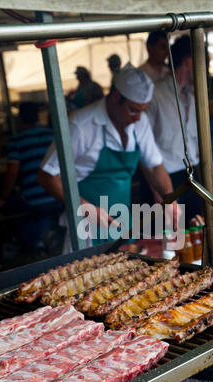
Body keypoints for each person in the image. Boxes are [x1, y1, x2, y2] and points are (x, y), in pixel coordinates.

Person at [38, 63, 179, 252]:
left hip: (122, 225)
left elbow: (154, 167)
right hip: (86, 229)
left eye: (142, 110)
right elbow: (47, 175)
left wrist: (169, 198)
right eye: (133, 110)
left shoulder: (140, 122)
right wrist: (85, 207)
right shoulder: (80, 125)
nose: (138, 117)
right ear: (115, 97)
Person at [146, 35, 213, 224]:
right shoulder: (154, 94)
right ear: (190, 63)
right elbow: (144, 147)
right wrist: (156, 189)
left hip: (195, 176)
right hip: (167, 180)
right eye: (203, 65)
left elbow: (199, 144)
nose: (204, 71)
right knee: (173, 241)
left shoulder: (191, 96)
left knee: (201, 233)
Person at [0, 102, 62, 252]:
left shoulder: (17, 140)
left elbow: (12, 172)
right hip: (58, 196)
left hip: (34, 200)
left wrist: (2, 198)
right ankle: (42, 239)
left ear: (20, 119)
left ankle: (26, 244)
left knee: (8, 210)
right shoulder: (52, 134)